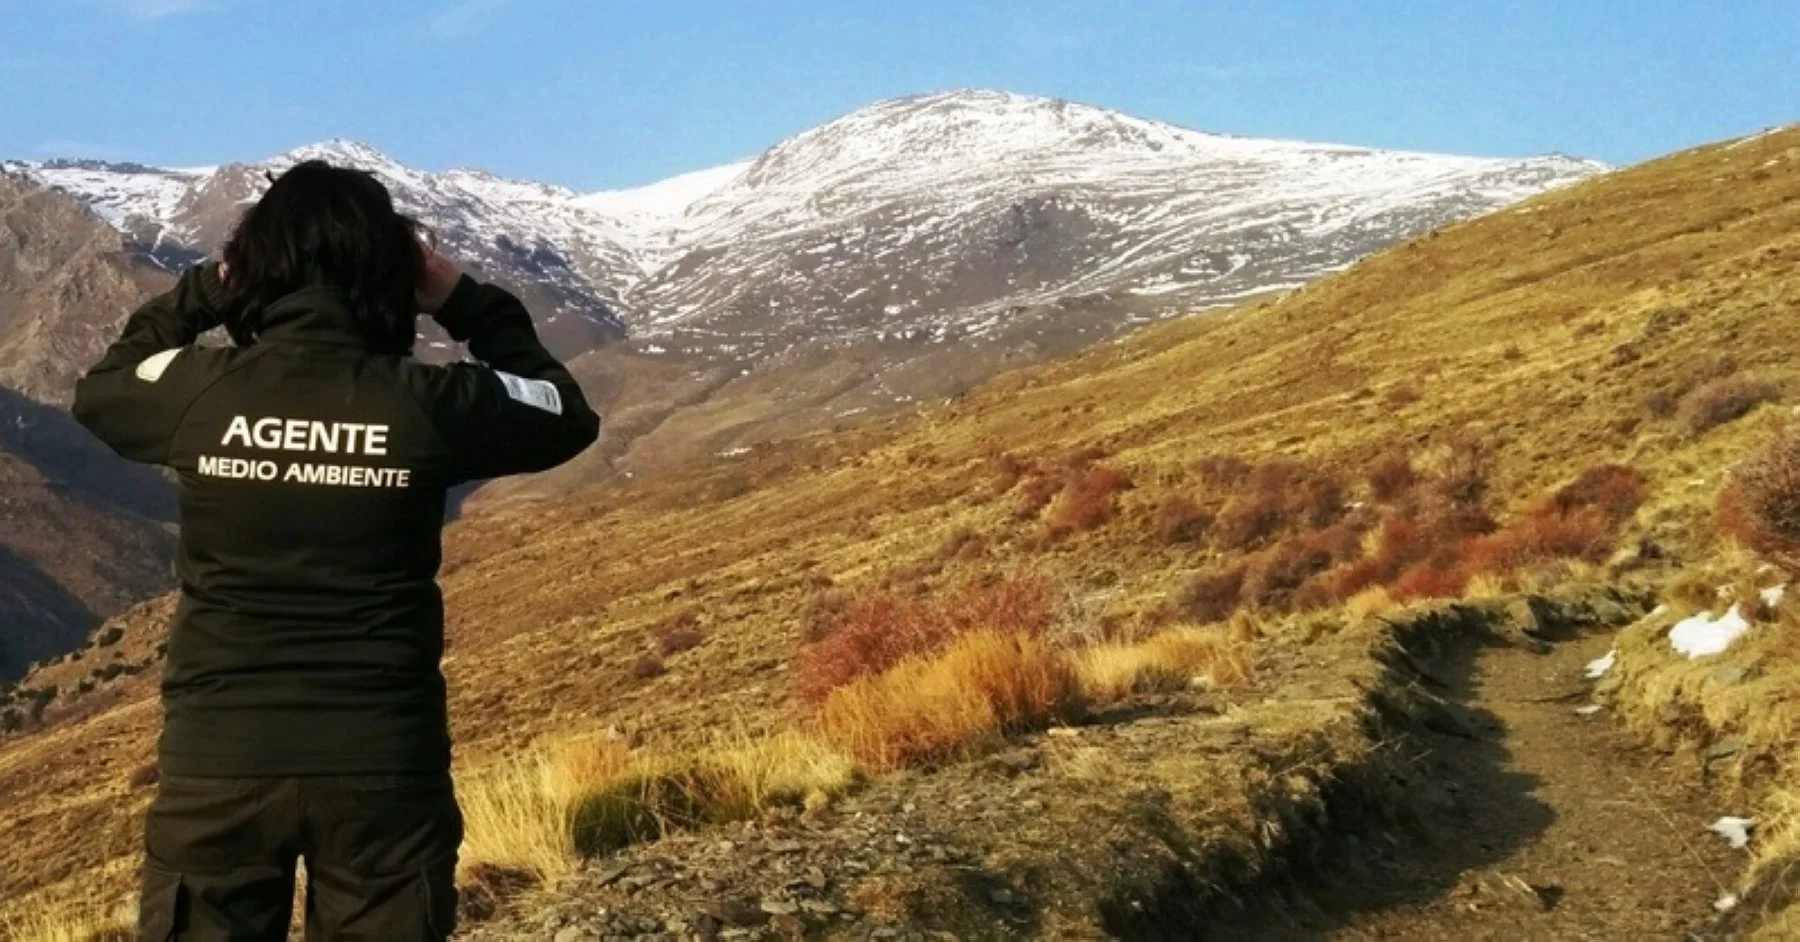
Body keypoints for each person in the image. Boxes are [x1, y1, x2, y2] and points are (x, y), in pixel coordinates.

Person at [72, 159, 601, 941]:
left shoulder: (199, 392)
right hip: (385, 765)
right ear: (393, 272)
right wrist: (462, 299)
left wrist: (210, 289)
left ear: (253, 268)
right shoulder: (428, 403)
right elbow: (563, 410)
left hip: (220, 763)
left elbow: (103, 387)